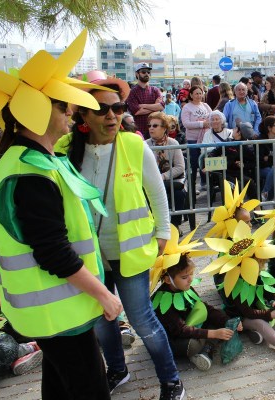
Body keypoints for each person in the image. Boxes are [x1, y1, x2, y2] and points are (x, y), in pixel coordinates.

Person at [0, 33, 123, 399]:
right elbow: (53, 252)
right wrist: (104, 295)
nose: (69, 111)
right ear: (36, 111)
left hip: (57, 312)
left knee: (59, 386)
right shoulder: (29, 173)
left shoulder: (30, 162)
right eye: (60, 105)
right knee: (89, 389)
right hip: (58, 312)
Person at [57, 70, 186, 399]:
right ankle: (117, 370)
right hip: (88, 256)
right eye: (102, 109)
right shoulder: (65, 148)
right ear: (83, 114)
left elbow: (157, 193)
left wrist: (163, 232)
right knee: (103, 320)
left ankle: (171, 381)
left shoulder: (133, 144)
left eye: (118, 108)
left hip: (130, 251)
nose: (112, 116)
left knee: (142, 321)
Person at [202, 219, 275, 360]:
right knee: (260, 323)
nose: (263, 266)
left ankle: (261, 333)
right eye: (260, 263)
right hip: (241, 317)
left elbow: (269, 290)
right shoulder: (236, 282)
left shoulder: (256, 273)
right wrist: (269, 315)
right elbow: (247, 312)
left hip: (259, 310)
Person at [150, 226, 242, 371]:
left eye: (191, 274)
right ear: (167, 280)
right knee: (192, 345)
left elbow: (204, 307)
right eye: (184, 277)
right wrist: (213, 333)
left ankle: (205, 349)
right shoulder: (162, 301)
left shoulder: (184, 287)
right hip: (172, 338)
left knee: (219, 320)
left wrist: (227, 321)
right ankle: (205, 347)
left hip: (189, 326)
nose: (190, 279)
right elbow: (179, 331)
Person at [145, 112, 188, 230]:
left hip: (171, 180)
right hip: (152, 182)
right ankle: (154, 226)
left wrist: (163, 176)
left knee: (179, 194)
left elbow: (180, 167)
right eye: (149, 126)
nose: (151, 128)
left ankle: (175, 226)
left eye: (155, 126)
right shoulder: (145, 145)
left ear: (164, 128)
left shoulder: (173, 143)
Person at [182, 85, 212, 194]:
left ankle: (205, 183)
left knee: (205, 161)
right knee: (193, 164)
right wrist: (202, 123)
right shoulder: (187, 107)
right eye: (196, 93)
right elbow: (186, 123)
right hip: (193, 140)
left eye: (200, 93)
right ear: (191, 95)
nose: (199, 95)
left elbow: (212, 117)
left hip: (206, 139)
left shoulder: (205, 105)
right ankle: (192, 186)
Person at [126, 62, 164, 138]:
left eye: (148, 72)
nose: (146, 74)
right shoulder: (132, 92)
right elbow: (136, 111)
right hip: (140, 131)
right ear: (137, 74)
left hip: (156, 130)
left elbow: (161, 106)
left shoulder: (155, 90)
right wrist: (154, 107)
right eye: (143, 72)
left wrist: (143, 106)